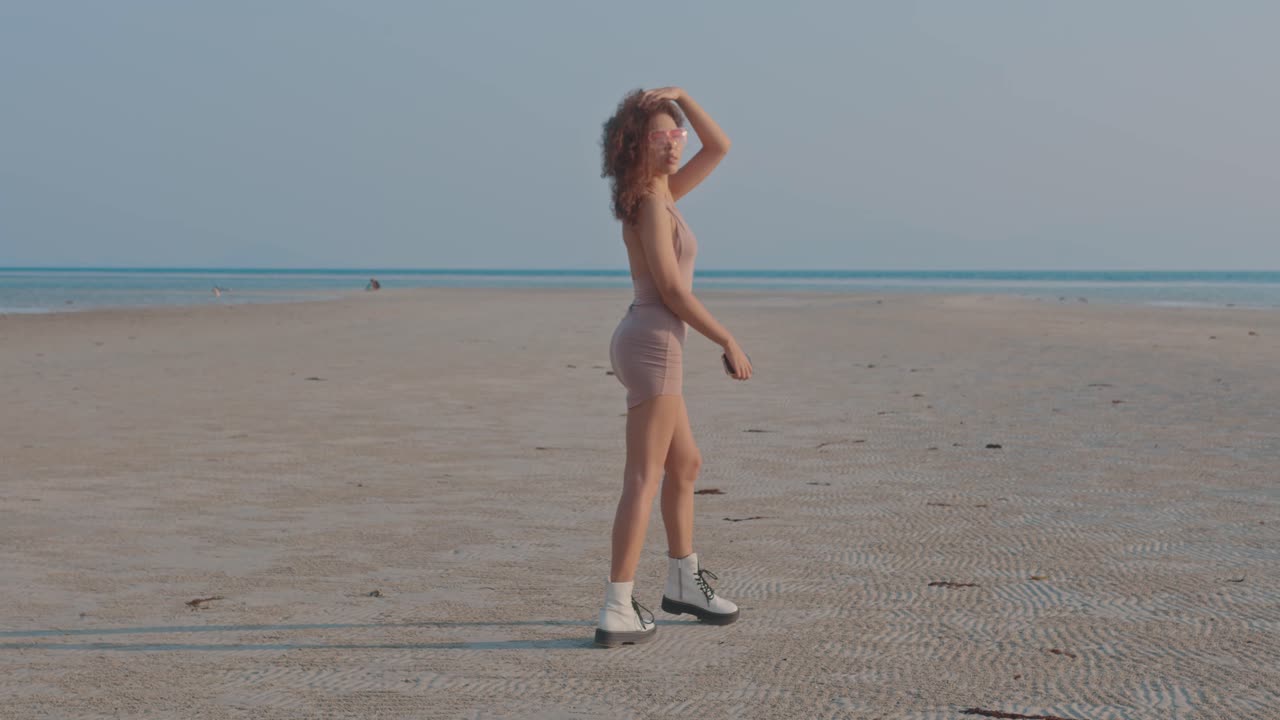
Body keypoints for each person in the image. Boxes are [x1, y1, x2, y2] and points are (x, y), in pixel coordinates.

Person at [594, 86, 753, 648]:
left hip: (649, 341)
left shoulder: (658, 194)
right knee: (643, 477)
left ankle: (684, 582)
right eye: (660, 136)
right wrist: (727, 338)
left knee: (684, 464)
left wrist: (684, 97)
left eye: (677, 133)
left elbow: (721, 146)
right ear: (635, 144)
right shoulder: (653, 204)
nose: (674, 144)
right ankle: (617, 606)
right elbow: (671, 290)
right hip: (655, 344)